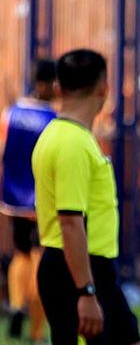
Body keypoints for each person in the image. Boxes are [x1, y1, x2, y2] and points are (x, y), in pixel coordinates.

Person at [32, 49, 140, 345]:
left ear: (57, 87)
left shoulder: (58, 135)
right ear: (104, 88)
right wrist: (86, 292)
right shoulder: (72, 144)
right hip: (79, 270)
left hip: (88, 269)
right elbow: (70, 222)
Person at [1, 59, 56, 341]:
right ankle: (36, 329)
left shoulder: (9, 114)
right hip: (40, 201)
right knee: (40, 259)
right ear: (46, 84)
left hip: (11, 198)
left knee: (20, 254)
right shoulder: (52, 120)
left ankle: (16, 303)